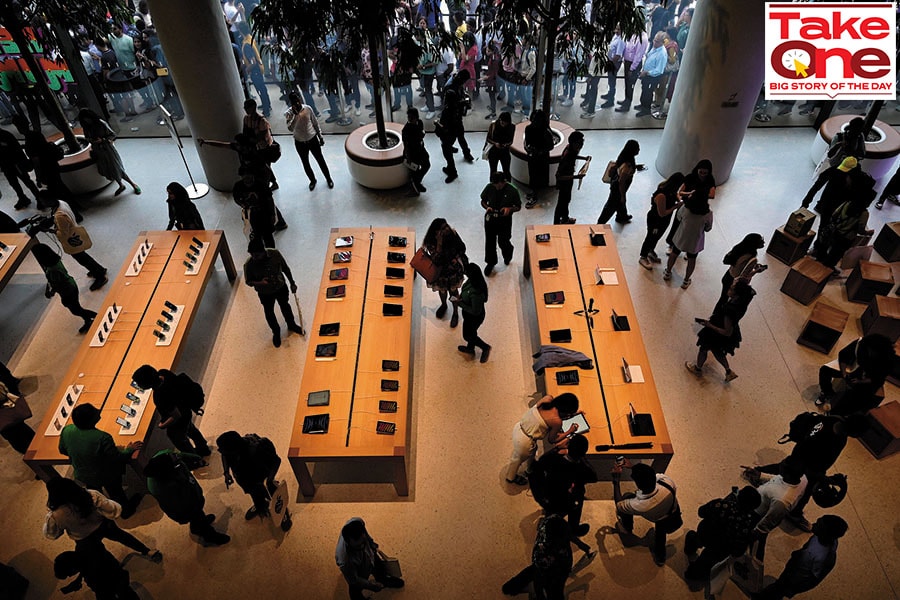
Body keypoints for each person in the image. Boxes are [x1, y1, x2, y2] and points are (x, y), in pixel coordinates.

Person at [58, 404, 144, 518]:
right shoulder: (102, 437)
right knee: (115, 491)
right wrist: (129, 450)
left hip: (82, 474)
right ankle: (125, 510)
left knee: (95, 493)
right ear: (91, 420)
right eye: (95, 412)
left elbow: (62, 450)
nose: (98, 411)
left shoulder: (67, 430)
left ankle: (100, 510)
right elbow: (117, 458)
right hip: (105, 474)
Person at [43, 477, 160, 559]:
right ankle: (147, 551)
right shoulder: (90, 496)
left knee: (98, 555)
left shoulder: (55, 515)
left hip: (83, 538)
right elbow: (113, 509)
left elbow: (52, 534)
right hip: (103, 525)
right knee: (124, 537)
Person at [144, 449, 230, 545]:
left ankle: (196, 526)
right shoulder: (162, 487)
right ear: (168, 471)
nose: (177, 458)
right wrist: (197, 505)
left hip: (191, 498)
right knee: (197, 517)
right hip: (186, 508)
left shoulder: (164, 458)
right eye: (175, 462)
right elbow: (183, 504)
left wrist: (197, 458)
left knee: (198, 516)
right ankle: (209, 535)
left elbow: (179, 455)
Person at [755, 515, 848, 600]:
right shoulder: (830, 540)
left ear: (825, 533)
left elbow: (814, 578)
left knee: (777, 589)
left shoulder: (816, 555)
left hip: (794, 579)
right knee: (778, 588)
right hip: (796, 571)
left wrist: (795, 587)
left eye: (818, 525)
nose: (813, 524)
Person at [528, 433, 599, 539]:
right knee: (575, 511)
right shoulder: (581, 468)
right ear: (583, 453)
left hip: (550, 493)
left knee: (552, 512)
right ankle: (573, 529)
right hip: (570, 497)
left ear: (568, 446)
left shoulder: (553, 458)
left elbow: (540, 463)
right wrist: (582, 458)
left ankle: (549, 524)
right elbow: (594, 477)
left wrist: (557, 449)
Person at [684, 486, 761, 582]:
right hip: (720, 548)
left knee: (693, 537)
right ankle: (692, 575)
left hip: (705, 533)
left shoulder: (721, 504)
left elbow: (701, 512)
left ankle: (689, 549)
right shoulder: (749, 523)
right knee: (706, 561)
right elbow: (739, 549)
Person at [131, 365, 210, 456]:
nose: (138, 385)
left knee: (179, 439)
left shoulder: (160, 396)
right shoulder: (163, 372)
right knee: (191, 430)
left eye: (139, 383)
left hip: (181, 418)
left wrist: (162, 425)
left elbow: (176, 415)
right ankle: (204, 448)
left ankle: (193, 458)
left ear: (147, 383)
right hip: (186, 408)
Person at [686, 279, 756, 382]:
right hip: (727, 331)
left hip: (717, 333)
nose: (729, 289)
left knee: (703, 348)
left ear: (736, 296)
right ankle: (728, 372)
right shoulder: (742, 304)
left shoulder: (730, 311)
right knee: (717, 351)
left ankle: (697, 368)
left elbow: (727, 332)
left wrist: (709, 325)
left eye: (732, 289)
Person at [505, 393, 581, 486]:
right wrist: (569, 431)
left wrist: (573, 414)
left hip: (519, 427)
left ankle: (530, 469)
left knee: (529, 453)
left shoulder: (548, 399)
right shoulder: (557, 421)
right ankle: (511, 477)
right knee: (517, 459)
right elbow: (552, 439)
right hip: (525, 442)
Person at [612, 461, 678, 565]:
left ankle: (627, 526)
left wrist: (616, 480)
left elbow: (619, 505)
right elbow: (649, 475)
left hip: (656, 516)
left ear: (638, 485)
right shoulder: (667, 481)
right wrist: (634, 467)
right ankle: (660, 558)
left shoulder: (640, 505)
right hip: (671, 509)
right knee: (661, 536)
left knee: (626, 497)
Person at [743, 456, 808, 560]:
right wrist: (760, 475)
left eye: (783, 465)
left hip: (757, 515)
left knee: (755, 545)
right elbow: (778, 479)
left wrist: (754, 532)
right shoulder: (802, 478)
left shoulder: (782, 501)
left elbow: (767, 523)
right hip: (761, 505)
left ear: (787, 473)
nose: (781, 463)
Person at [243, 237, 304, 347]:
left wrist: (292, 283)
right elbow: (248, 281)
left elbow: (285, 268)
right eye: (252, 255)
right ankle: (276, 332)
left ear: (263, 251)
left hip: (280, 287)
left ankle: (291, 324)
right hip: (265, 293)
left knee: (285, 306)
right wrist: (261, 283)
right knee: (269, 312)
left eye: (256, 255)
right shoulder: (249, 264)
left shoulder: (275, 254)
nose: (254, 257)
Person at [501, 512, 573, 600]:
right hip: (549, 564)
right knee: (544, 581)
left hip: (553, 566)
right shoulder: (555, 528)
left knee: (550, 586)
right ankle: (514, 586)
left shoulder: (549, 528)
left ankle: (514, 586)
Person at [43, 194, 108, 291]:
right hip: (75, 232)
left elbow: (63, 233)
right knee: (84, 255)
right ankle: (99, 269)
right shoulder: (61, 202)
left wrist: (51, 230)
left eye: (42, 200)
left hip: (71, 240)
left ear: (49, 201)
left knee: (82, 258)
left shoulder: (59, 215)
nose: (41, 203)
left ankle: (100, 277)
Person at [816, 333, 894, 413]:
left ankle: (839, 412)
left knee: (857, 397)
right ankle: (827, 392)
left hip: (867, 379)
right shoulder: (861, 343)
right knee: (825, 370)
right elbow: (844, 356)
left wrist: (860, 381)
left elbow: (877, 379)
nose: (870, 353)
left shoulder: (886, 361)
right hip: (853, 366)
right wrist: (844, 373)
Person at [32, 243, 97, 334]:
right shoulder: (55, 261)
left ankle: (96, 317)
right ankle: (88, 320)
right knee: (76, 307)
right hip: (71, 285)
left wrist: (51, 292)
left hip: (67, 291)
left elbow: (56, 285)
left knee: (76, 310)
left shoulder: (51, 270)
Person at [217, 431, 281, 521]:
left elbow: (276, 461)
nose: (219, 451)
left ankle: (280, 512)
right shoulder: (231, 451)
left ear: (234, 449)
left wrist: (270, 479)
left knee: (275, 495)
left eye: (223, 449)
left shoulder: (259, 448)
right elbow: (224, 455)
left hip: (260, 474)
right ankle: (260, 505)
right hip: (248, 480)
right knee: (255, 494)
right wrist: (226, 472)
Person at [335, 517, 404, 599]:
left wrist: (371, 543)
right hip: (357, 567)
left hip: (370, 554)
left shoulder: (357, 522)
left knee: (378, 567)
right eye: (358, 546)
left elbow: (366, 534)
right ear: (348, 542)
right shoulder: (344, 560)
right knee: (355, 588)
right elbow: (354, 580)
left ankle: (383, 579)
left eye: (363, 542)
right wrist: (371, 586)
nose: (362, 546)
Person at [77, 109, 141, 196]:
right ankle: (121, 185)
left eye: (88, 118)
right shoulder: (86, 126)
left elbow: (112, 135)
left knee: (117, 168)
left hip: (107, 149)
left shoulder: (101, 123)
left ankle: (133, 184)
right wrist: (91, 140)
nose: (87, 121)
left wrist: (102, 140)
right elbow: (87, 137)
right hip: (98, 150)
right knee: (108, 169)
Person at [54, 539, 140, 600]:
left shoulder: (93, 573)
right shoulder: (82, 547)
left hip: (116, 583)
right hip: (117, 577)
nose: (71, 575)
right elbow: (85, 564)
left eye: (69, 573)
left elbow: (102, 591)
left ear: (73, 567)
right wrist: (79, 579)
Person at [421, 218, 468, 327]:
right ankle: (444, 305)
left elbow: (462, 247)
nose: (446, 229)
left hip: (453, 272)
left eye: (446, 226)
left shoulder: (453, 234)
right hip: (440, 273)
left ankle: (455, 312)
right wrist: (439, 244)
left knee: (454, 292)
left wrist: (456, 257)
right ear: (436, 232)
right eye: (442, 228)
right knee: (442, 291)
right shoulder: (431, 242)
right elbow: (436, 260)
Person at [663, 190, 714, 289]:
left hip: (681, 237)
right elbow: (708, 228)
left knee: (674, 254)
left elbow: (678, 218)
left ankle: (668, 272)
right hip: (695, 241)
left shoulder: (685, 208)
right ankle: (686, 280)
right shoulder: (708, 213)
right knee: (692, 260)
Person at [810, 196, 874, 272]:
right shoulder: (864, 213)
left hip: (835, 231)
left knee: (827, 246)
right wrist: (868, 233)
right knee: (836, 254)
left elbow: (834, 215)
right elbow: (860, 229)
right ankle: (827, 269)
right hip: (846, 238)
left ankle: (820, 260)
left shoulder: (846, 204)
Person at [285, 92, 333, 191]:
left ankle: (328, 179)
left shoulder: (308, 108)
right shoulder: (288, 114)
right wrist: (295, 116)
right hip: (300, 142)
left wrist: (320, 136)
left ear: (300, 99)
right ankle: (312, 180)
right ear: (291, 103)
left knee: (320, 160)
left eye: (298, 101)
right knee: (305, 162)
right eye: (295, 102)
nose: (297, 104)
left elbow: (315, 123)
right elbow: (290, 128)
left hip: (312, 139)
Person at [665, 159, 716, 250]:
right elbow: (680, 192)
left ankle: (690, 248)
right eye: (701, 172)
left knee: (695, 229)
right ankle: (672, 244)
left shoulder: (710, 180)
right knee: (677, 225)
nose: (702, 175)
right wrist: (690, 194)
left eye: (705, 173)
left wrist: (699, 194)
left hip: (700, 206)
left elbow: (712, 195)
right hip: (686, 205)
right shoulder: (690, 177)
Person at [639, 173, 686, 269]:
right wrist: (675, 207)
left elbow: (676, 195)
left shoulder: (671, 191)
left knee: (657, 236)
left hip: (664, 220)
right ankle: (643, 256)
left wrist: (680, 198)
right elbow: (662, 213)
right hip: (656, 220)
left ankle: (650, 250)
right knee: (650, 237)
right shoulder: (662, 195)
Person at [480, 171, 522, 275]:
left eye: (499, 184)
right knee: (490, 242)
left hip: (504, 220)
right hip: (491, 218)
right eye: (495, 184)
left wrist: (509, 209)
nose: (497, 186)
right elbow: (482, 201)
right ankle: (490, 262)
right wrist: (487, 207)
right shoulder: (489, 187)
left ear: (504, 182)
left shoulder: (512, 190)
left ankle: (508, 254)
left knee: (503, 241)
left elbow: (518, 206)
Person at [438, 70, 474, 183]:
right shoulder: (451, 88)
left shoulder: (456, 82)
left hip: (454, 120)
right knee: (449, 145)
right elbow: (451, 105)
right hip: (452, 122)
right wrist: (463, 103)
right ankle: (452, 170)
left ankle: (466, 154)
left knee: (459, 137)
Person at [233, 166, 280, 248]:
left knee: (267, 235)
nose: (247, 177)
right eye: (244, 175)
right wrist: (243, 204)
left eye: (249, 174)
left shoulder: (261, 185)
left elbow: (269, 200)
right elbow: (236, 198)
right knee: (255, 235)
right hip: (251, 214)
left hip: (264, 213)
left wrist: (272, 214)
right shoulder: (238, 186)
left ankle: (271, 251)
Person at [455, 262, 491, 362]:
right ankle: (470, 348)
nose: (465, 274)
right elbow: (465, 291)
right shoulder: (471, 282)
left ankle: (485, 347)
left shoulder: (476, 293)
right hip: (468, 315)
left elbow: (475, 311)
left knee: (467, 335)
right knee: (471, 333)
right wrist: (461, 297)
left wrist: (460, 304)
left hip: (474, 317)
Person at [717, 233, 766, 307]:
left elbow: (737, 263)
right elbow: (744, 275)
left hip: (728, 275)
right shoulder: (752, 258)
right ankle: (716, 317)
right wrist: (756, 271)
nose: (763, 242)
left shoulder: (739, 249)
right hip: (734, 281)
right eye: (761, 241)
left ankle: (714, 317)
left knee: (723, 298)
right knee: (726, 302)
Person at [597, 139, 639, 224]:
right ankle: (600, 223)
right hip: (618, 189)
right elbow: (621, 182)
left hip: (615, 184)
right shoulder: (628, 166)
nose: (639, 150)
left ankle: (622, 216)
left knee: (619, 204)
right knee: (611, 205)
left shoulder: (623, 157)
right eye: (637, 149)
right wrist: (623, 196)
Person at [553, 131, 590, 225]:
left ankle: (565, 218)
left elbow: (574, 156)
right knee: (561, 204)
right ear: (574, 143)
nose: (582, 145)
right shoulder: (567, 157)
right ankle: (556, 224)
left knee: (566, 201)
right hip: (564, 183)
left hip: (568, 182)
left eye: (583, 142)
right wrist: (576, 177)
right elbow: (559, 176)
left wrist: (584, 158)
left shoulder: (570, 148)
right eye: (580, 142)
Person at [242, 98, 279, 189]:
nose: (246, 109)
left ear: (253, 107)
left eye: (247, 108)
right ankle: (271, 183)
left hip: (264, 148)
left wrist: (249, 140)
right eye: (245, 108)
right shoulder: (247, 118)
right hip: (256, 147)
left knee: (265, 167)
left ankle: (270, 183)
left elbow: (260, 137)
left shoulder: (262, 121)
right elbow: (246, 132)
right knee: (264, 167)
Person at [0, 127, 40, 210]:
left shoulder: (5, 135)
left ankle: (39, 198)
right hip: (6, 165)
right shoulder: (5, 134)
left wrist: (22, 162)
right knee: (14, 183)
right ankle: (22, 198)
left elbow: (17, 149)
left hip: (16, 164)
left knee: (27, 181)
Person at [523, 110, 554, 208]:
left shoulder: (545, 131)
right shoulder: (529, 128)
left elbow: (550, 146)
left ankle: (535, 195)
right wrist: (528, 149)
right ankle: (534, 192)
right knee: (532, 175)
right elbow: (527, 142)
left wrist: (539, 152)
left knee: (537, 176)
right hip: (532, 156)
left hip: (541, 157)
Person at [0, 379, 34, 454]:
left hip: (5, 423)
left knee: (16, 440)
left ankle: (31, 456)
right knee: (24, 432)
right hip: (10, 413)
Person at [401, 108, 430, 196]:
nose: (410, 119)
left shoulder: (420, 123)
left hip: (420, 149)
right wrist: (408, 157)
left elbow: (420, 134)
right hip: (412, 153)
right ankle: (415, 186)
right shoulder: (406, 129)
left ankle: (417, 183)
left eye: (412, 117)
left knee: (426, 165)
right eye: (409, 117)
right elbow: (406, 145)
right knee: (414, 170)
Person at [485, 111, 514, 180]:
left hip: (505, 151)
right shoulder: (494, 125)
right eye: (501, 121)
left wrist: (506, 145)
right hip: (493, 151)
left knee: (506, 171)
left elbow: (511, 140)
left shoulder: (512, 127)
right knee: (493, 171)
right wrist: (495, 143)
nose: (502, 123)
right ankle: (493, 187)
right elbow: (488, 138)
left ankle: (507, 187)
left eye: (504, 122)